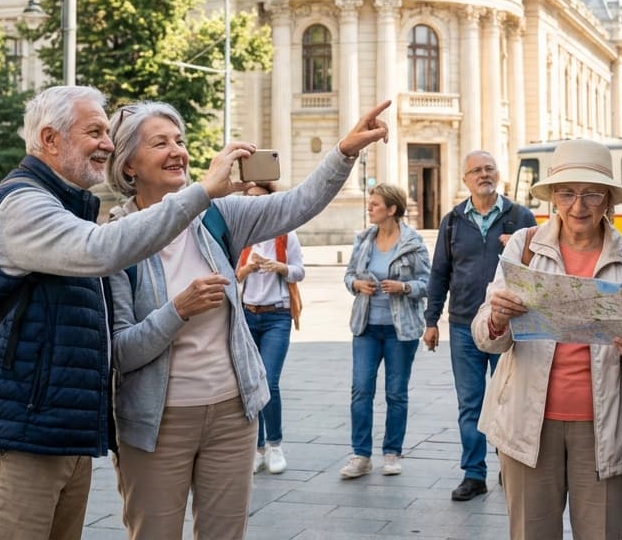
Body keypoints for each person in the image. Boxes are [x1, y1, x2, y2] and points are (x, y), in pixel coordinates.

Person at [0, 85, 259, 540]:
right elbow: (101, 250)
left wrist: (344, 153)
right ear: (51, 139)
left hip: (62, 431)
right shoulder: (22, 202)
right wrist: (200, 194)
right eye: (95, 131)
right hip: (17, 433)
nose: (108, 143)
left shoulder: (67, 204)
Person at [108, 100, 391, 539]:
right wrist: (177, 311)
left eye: (180, 140)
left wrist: (344, 151)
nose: (177, 151)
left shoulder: (217, 217)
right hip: (156, 422)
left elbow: (296, 205)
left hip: (231, 414)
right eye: (160, 143)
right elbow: (121, 352)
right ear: (128, 165)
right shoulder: (113, 240)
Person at [471, 138, 622, 540]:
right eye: (568, 193)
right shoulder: (523, 247)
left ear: (609, 199)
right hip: (527, 427)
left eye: (592, 193)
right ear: (554, 196)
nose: (579, 206)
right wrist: (498, 319)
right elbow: (485, 334)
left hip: (605, 429)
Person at [422, 150, 534, 501]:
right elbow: (439, 273)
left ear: (498, 174)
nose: (484, 174)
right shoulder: (453, 221)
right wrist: (431, 320)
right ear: (465, 180)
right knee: (470, 402)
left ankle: (509, 466)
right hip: (463, 326)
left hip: (509, 325)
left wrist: (521, 249)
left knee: (509, 399)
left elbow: (542, 268)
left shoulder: (520, 216)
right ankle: (473, 474)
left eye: (489, 168)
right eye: (476, 170)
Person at [340, 183, 431, 479]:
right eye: (370, 203)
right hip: (366, 326)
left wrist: (404, 287)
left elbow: (428, 283)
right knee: (360, 390)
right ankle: (360, 455)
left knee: (396, 393)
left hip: (400, 331)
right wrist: (356, 285)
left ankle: (392, 452)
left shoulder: (413, 243)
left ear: (392, 210)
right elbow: (349, 275)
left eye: (376, 204)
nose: (370, 208)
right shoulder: (363, 239)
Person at [236, 181, 304, 476]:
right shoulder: (240, 237)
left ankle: (275, 445)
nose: (253, 203)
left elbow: (299, 270)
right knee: (250, 382)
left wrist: (279, 267)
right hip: (248, 315)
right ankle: (257, 447)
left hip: (277, 316)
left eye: (259, 198)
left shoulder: (285, 235)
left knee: (269, 380)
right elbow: (230, 277)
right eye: (249, 198)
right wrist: (247, 269)